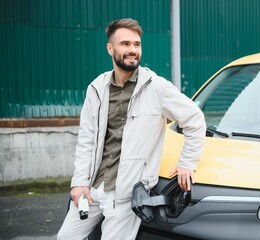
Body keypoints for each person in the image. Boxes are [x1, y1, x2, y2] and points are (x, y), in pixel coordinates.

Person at [57, 18, 206, 240]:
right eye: (125, 44)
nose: (132, 50)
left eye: (137, 44)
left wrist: (187, 163)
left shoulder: (156, 87)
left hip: (126, 195)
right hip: (94, 188)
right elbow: (86, 138)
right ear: (110, 48)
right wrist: (79, 183)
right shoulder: (97, 88)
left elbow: (195, 119)